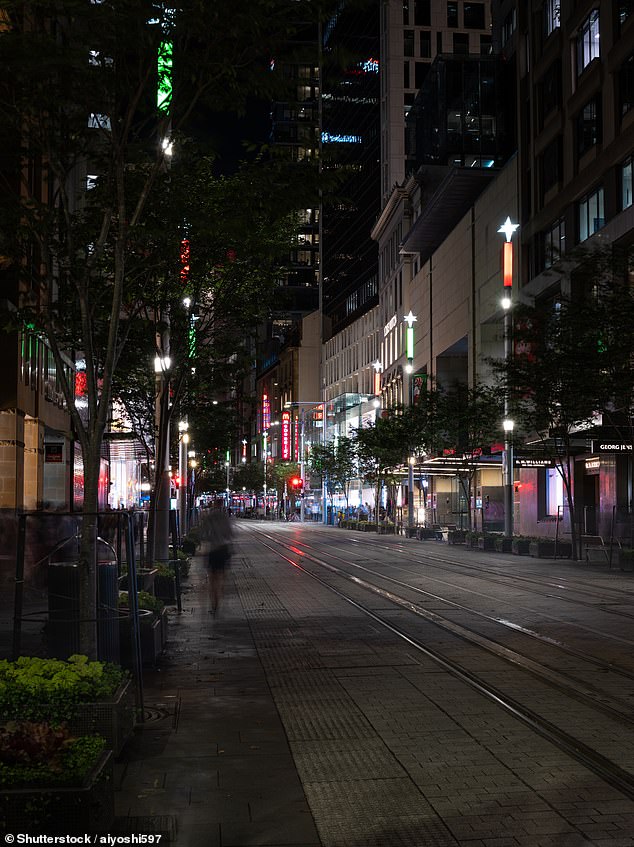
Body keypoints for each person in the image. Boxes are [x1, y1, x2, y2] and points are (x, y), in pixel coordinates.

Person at [203, 509, 233, 614]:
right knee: (221, 575)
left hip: (213, 550)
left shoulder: (210, 518)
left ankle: (214, 603)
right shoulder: (225, 518)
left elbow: (204, 535)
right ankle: (220, 593)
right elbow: (231, 534)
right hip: (224, 550)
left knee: (212, 578)